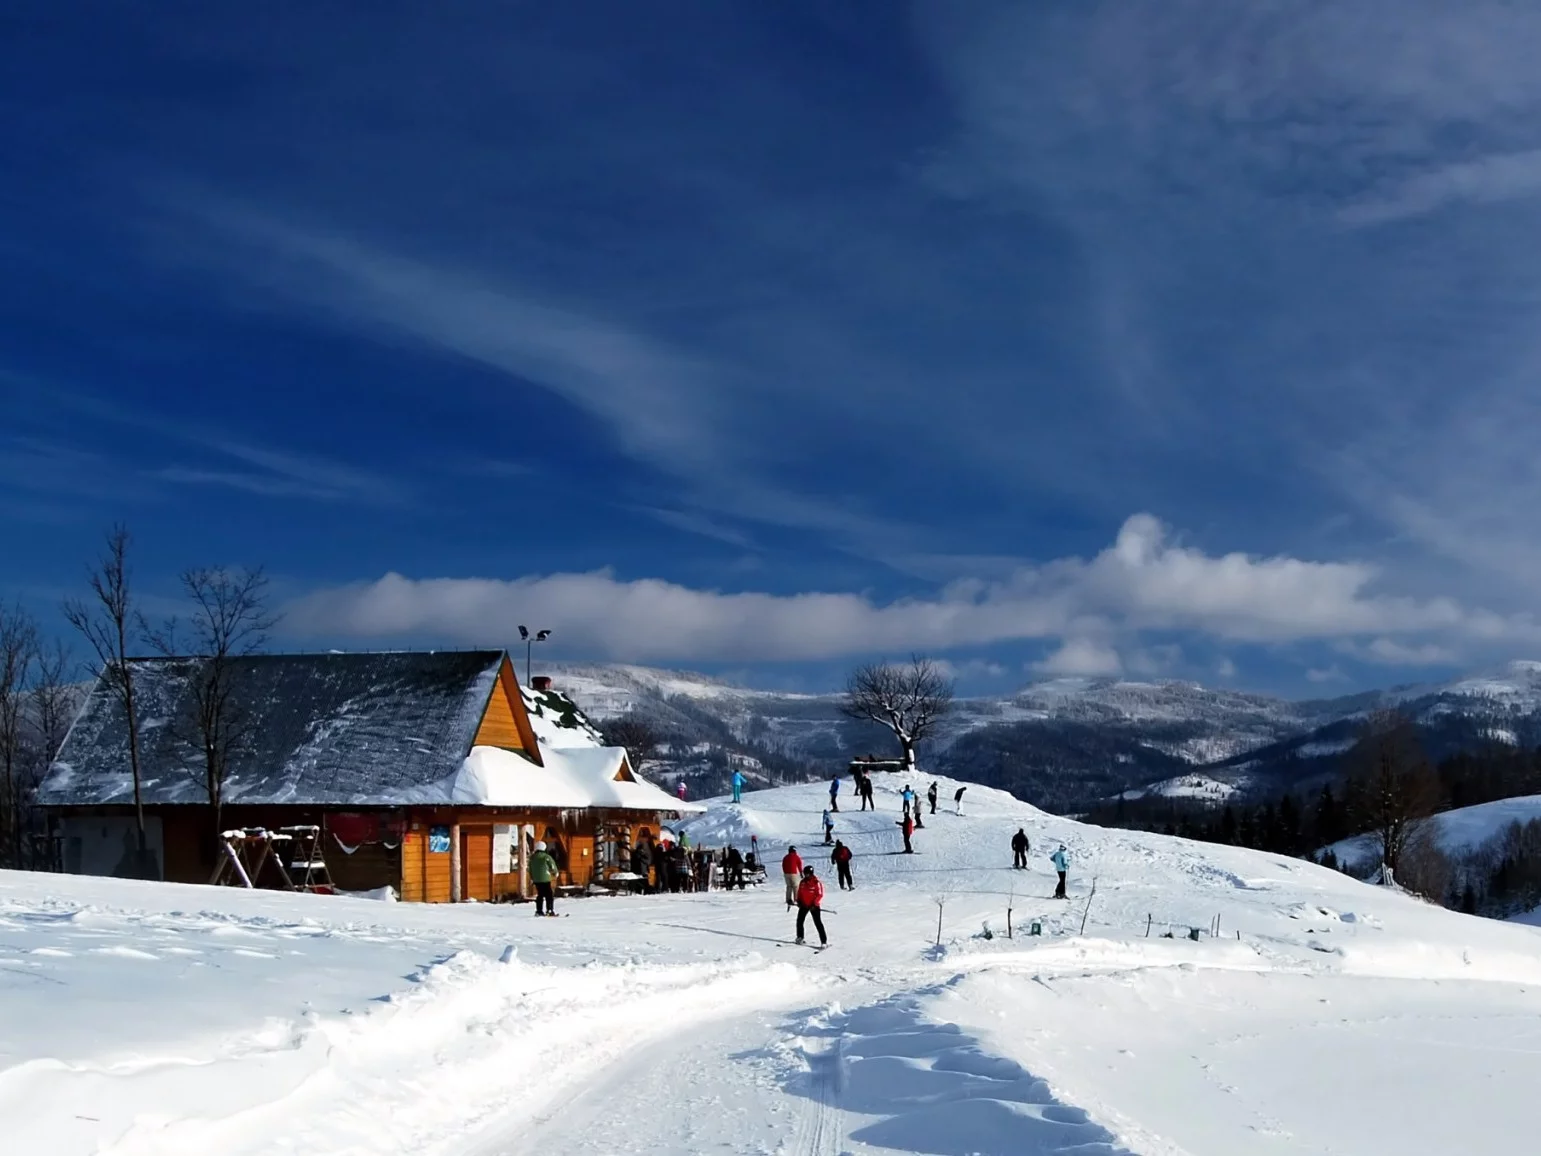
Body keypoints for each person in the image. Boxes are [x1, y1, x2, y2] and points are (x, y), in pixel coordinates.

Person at [795, 865, 828, 947]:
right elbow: (799, 892)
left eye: (807, 874)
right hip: (804, 905)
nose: (806, 875)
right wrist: (799, 901)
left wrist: (814, 903)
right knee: (799, 921)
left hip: (814, 906)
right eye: (805, 874)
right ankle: (800, 937)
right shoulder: (802, 882)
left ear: (811, 874)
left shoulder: (816, 882)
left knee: (818, 923)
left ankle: (823, 942)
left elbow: (820, 894)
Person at [529, 840, 558, 916]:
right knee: (549, 895)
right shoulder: (546, 857)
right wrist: (555, 873)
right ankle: (549, 910)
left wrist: (532, 878)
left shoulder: (532, 858)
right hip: (545, 879)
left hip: (536, 880)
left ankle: (539, 911)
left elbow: (530, 869)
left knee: (540, 895)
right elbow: (552, 866)